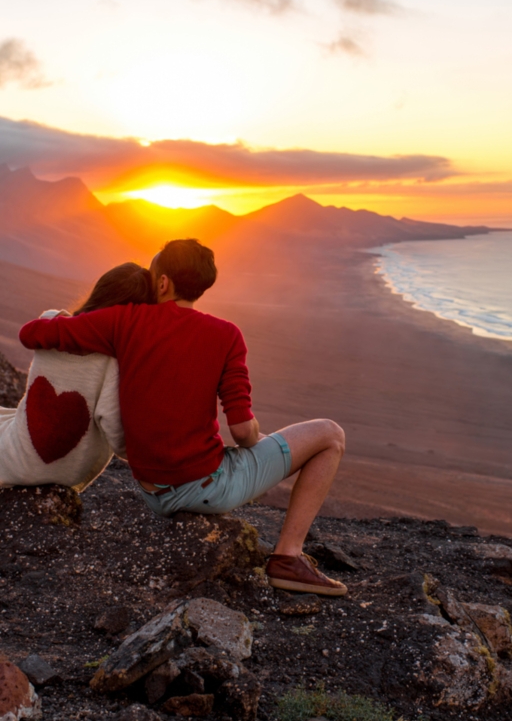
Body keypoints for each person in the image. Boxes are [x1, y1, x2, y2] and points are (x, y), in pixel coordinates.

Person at [20, 239, 347, 596]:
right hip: (206, 489)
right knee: (330, 435)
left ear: (162, 283)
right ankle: (288, 558)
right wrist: (259, 440)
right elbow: (242, 433)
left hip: (153, 492)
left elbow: (31, 334)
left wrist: (72, 321)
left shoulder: (124, 320)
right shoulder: (226, 335)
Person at [1, 263, 155, 491]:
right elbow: (117, 435)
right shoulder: (113, 363)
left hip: (13, 460)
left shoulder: (51, 323)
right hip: (66, 475)